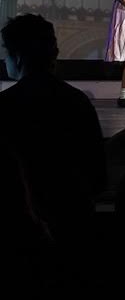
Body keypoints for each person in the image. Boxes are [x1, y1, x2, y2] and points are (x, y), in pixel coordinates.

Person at [0, 14, 106, 245]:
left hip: (18, 230)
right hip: (74, 227)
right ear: (54, 54)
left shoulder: (5, 106)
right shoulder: (78, 102)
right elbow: (98, 176)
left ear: (17, 58)